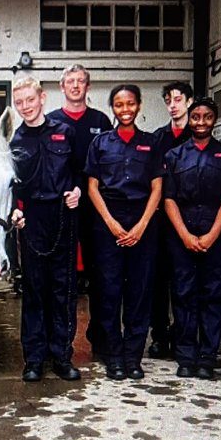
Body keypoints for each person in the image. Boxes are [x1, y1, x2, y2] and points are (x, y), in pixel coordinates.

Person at [85, 84, 165, 381]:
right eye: (119, 105)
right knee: (109, 291)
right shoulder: (101, 143)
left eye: (130, 103)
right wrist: (111, 223)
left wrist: (142, 224)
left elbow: (157, 187)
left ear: (139, 105)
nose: (125, 109)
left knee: (140, 291)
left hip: (143, 220)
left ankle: (133, 357)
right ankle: (114, 356)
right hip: (109, 222)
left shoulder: (151, 143)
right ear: (113, 109)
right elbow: (92, 187)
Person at [8, 76, 83, 383]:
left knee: (62, 289)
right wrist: (14, 209)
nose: (25, 106)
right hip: (32, 220)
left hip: (63, 215)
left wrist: (77, 190)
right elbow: (12, 185)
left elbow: (80, 171)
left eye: (29, 99)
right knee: (35, 291)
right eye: (19, 102)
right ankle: (34, 359)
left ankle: (62, 356)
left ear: (41, 98)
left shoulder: (66, 132)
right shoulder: (16, 141)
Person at [162, 97, 221, 380]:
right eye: (196, 117)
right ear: (189, 119)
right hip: (180, 233)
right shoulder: (173, 156)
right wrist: (184, 235)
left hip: (216, 233)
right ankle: (185, 356)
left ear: (214, 119)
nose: (201, 122)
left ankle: (207, 357)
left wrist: (211, 235)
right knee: (183, 294)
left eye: (207, 117)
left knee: (213, 295)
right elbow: (168, 198)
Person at [45, 64, 112, 354]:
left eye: (80, 81)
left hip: (95, 209)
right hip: (61, 210)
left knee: (100, 275)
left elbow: (109, 165)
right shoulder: (50, 122)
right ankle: (58, 341)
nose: (75, 86)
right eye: (70, 81)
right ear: (62, 87)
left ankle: (100, 336)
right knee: (61, 278)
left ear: (87, 87)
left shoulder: (101, 121)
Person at [147, 81, 194, 359]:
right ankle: (159, 335)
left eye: (178, 99)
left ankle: (183, 333)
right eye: (169, 100)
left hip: (190, 219)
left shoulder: (198, 135)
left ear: (189, 102)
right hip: (161, 222)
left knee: (185, 282)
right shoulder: (157, 139)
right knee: (158, 281)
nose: (173, 105)